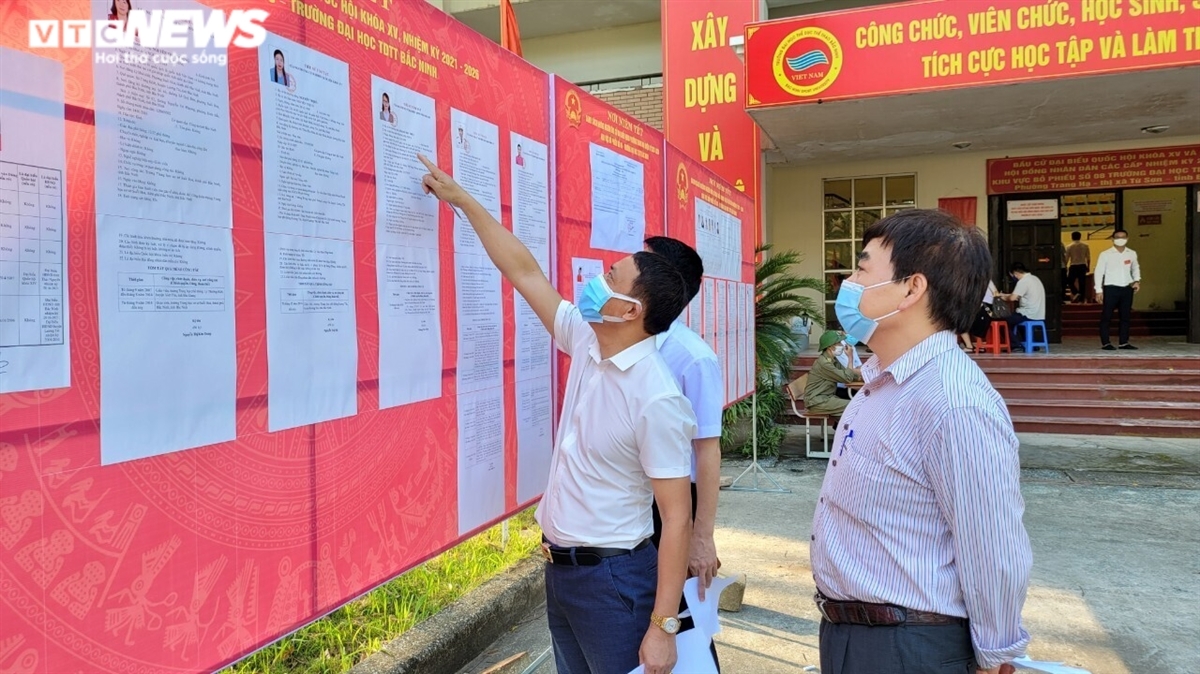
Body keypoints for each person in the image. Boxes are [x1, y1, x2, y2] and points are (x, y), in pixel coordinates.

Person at [418, 155, 694, 674]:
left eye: (611, 276)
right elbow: (523, 271)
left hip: (613, 581)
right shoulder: (588, 340)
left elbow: (677, 517)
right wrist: (462, 200)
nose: (596, 278)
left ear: (630, 311)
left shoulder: (655, 397)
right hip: (560, 572)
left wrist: (663, 627)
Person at [814, 208, 1031, 674]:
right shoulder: (885, 382)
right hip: (857, 635)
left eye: (862, 268)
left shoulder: (954, 402)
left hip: (909, 647)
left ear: (912, 288)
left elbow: (991, 544)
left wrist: (996, 654)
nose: (848, 282)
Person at [643, 236, 723, 669]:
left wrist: (701, 536)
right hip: (638, 499)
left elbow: (707, 452)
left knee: (683, 619)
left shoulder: (693, 357)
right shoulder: (635, 344)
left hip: (674, 505)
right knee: (649, 611)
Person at [1094, 229, 1141, 350]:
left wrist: (1137, 280)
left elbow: (1135, 267)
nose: (1120, 239)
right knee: (1107, 316)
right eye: (1117, 237)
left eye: (1123, 237)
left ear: (1127, 238)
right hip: (1111, 288)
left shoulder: (1131, 253)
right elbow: (1099, 272)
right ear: (1112, 239)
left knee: (1125, 316)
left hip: (1126, 288)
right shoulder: (1105, 254)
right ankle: (1106, 343)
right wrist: (1098, 290)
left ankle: (1123, 342)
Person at [803, 330, 860, 417]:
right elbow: (847, 378)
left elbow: (849, 374)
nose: (842, 345)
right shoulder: (824, 364)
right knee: (855, 406)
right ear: (831, 347)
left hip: (826, 398)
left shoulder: (833, 360)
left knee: (849, 414)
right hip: (817, 402)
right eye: (839, 343)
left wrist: (861, 377)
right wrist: (850, 357)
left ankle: (840, 429)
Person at [997, 262, 1045, 343]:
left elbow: (1012, 298)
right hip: (1038, 314)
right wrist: (1004, 295)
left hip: (1028, 314)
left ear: (1015, 273)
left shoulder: (1023, 282)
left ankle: (1014, 344)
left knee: (1002, 321)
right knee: (1014, 318)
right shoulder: (1035, 278)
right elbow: (1018, 295)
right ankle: (1029, 342)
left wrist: (1002, 297)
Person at [961, 279, 999, 351]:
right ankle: (980, 346)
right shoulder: (988, 280)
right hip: (989, 310)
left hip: (982, 308)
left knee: (960, 323)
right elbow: (996, 293)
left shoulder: (974, 281)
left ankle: (969, 346)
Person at [833, 331, 862, 399]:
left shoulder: (851, 346)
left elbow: (859, 365)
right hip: (843, 387)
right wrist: (866, 372)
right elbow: (850, 370)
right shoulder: (839, 349)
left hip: (853, 381)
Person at [1063, 231, 1090, 302]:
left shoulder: (1069, 246)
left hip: (1073, 265)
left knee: (1069, 281)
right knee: (1082, 282)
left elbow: (1067, 258)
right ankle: (1082, 298)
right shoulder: (1085, 246)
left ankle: (1076, 292)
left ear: (1072, 237)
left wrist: (1065, 266)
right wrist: (1088, 266)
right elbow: (1088, 257)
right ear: (1080, 237)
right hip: (1082, 265)